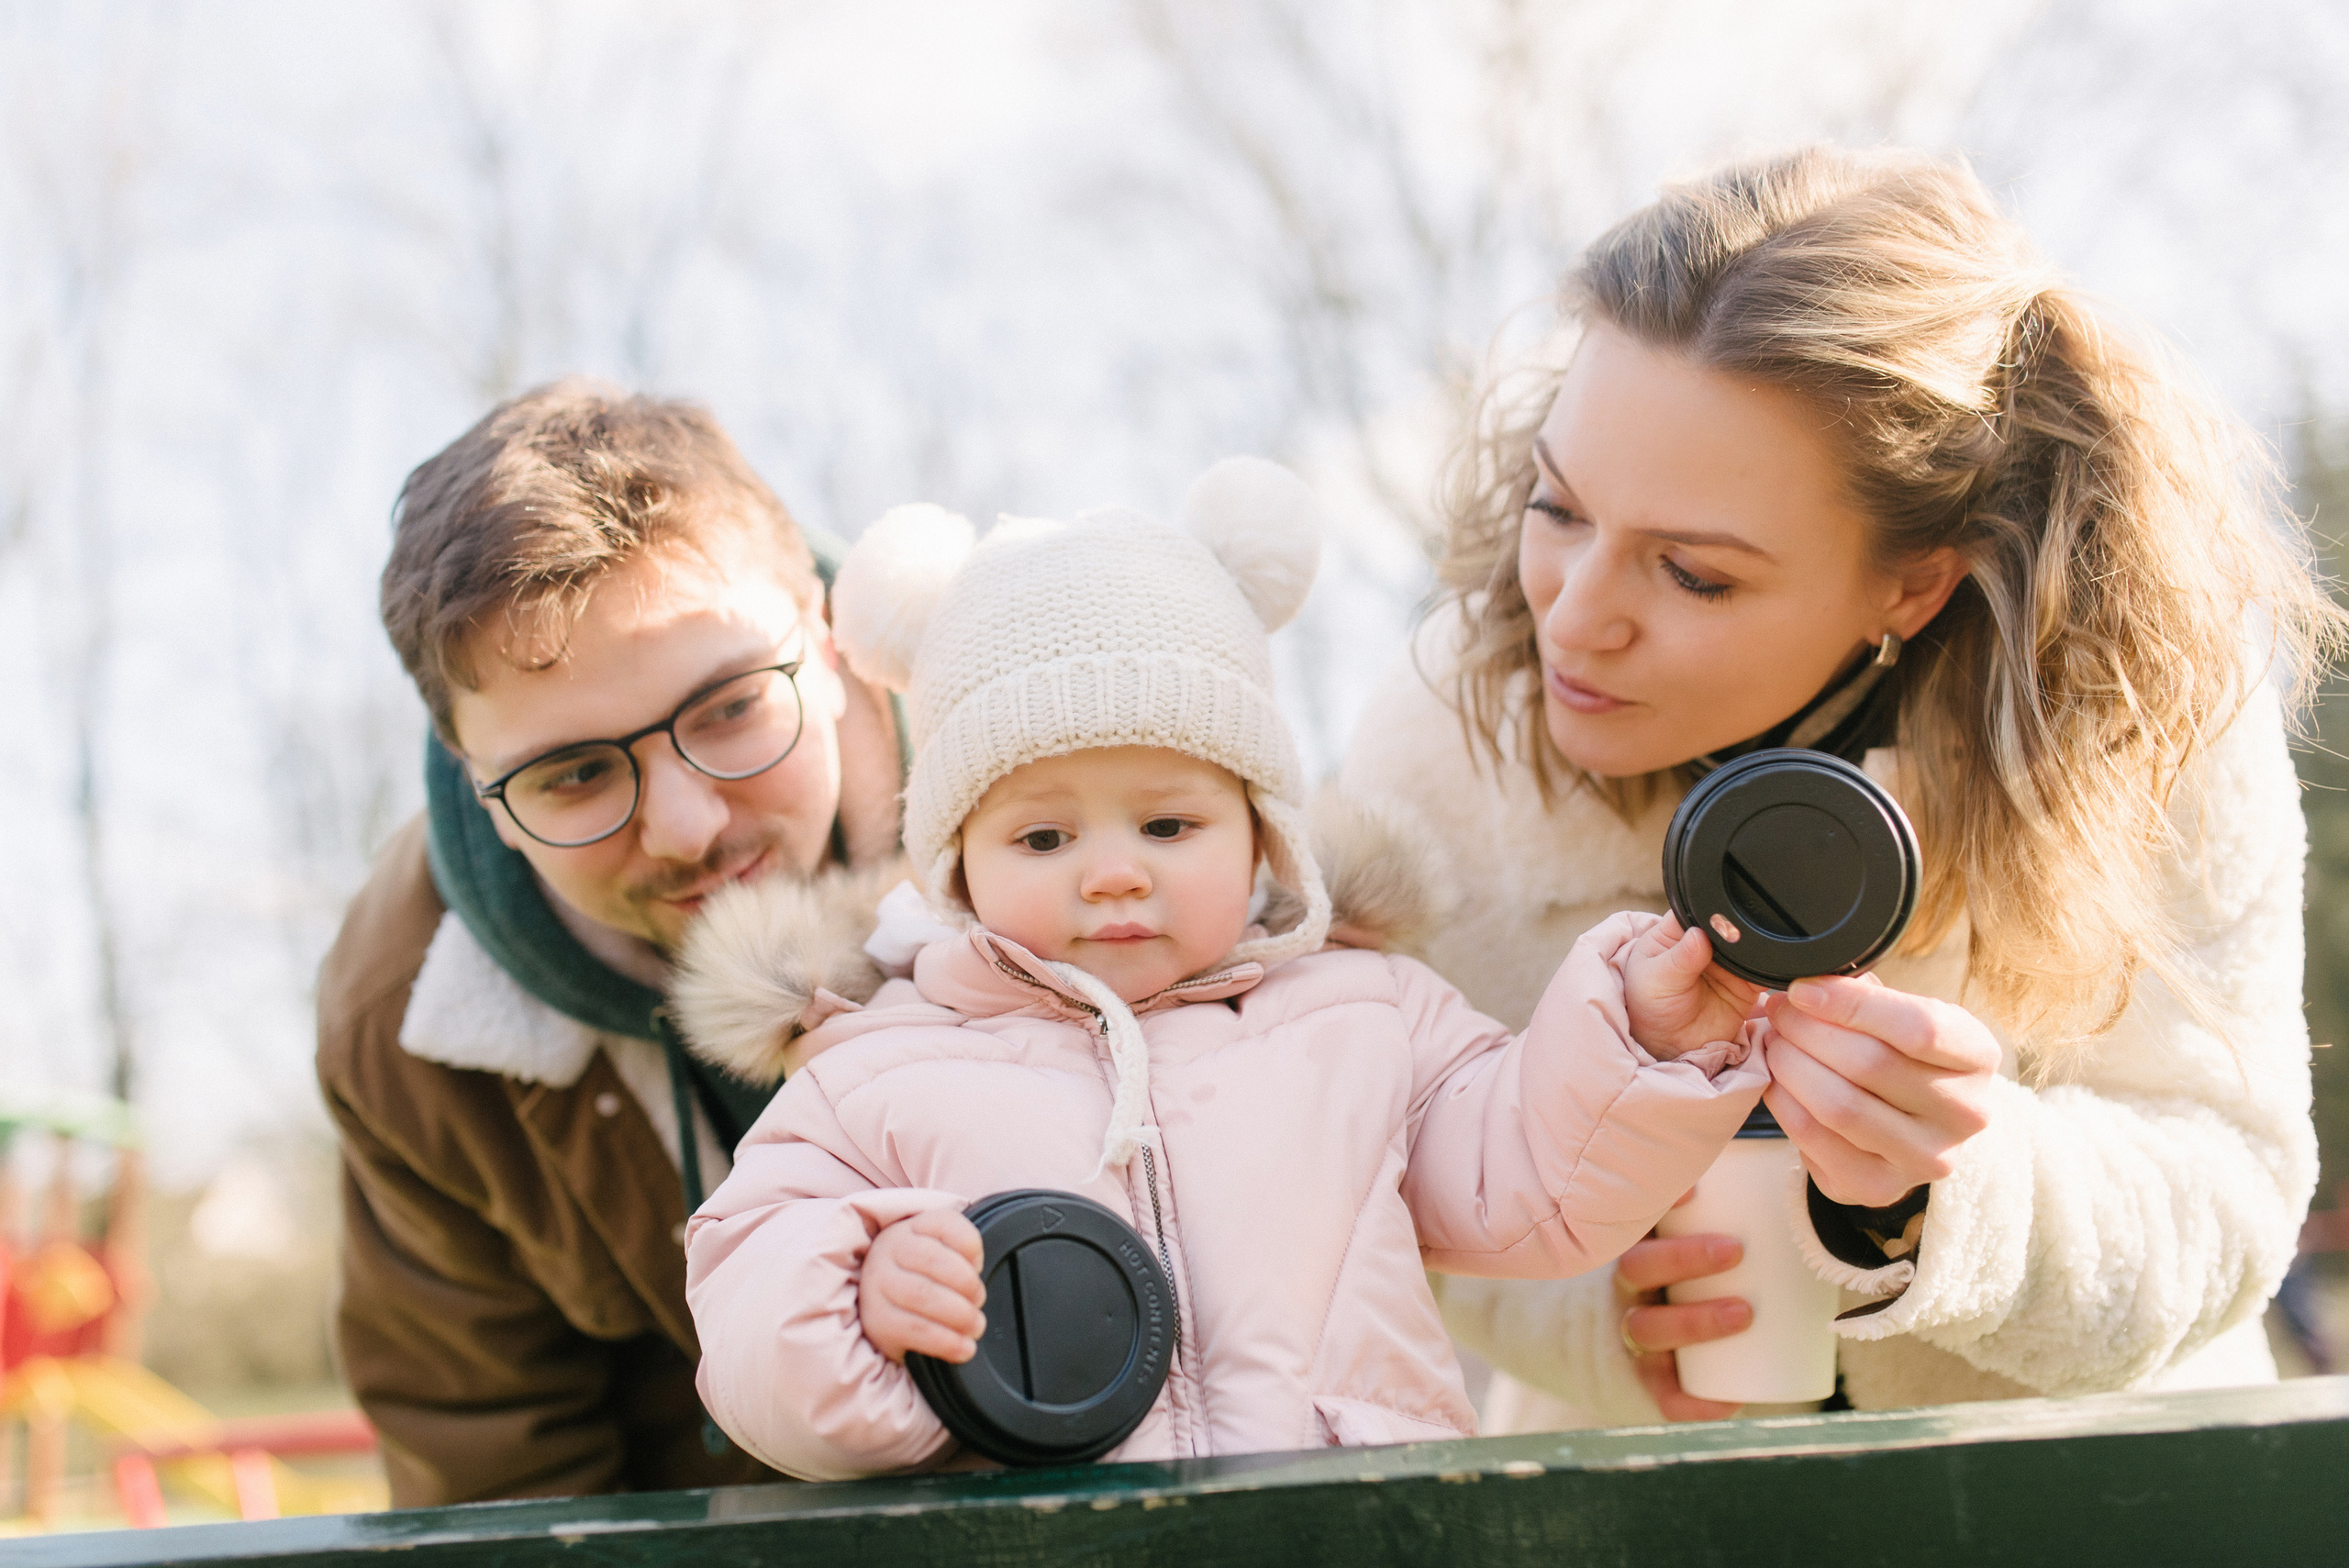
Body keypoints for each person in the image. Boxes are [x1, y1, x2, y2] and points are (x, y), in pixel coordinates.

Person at [1341, 145, 2343, 1430]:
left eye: (1694, 574)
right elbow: (1373, 1153)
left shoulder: (2141, 715)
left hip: (2084, 1495)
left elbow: (2230, 1190)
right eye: (1558, 507)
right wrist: (1599, 1318)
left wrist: (1955, 1192)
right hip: (1635, 1502)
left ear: (1914, 583)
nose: (1573, 618)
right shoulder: (1443, 721)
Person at [667, 461, 1766, 1479]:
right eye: (1042, 837)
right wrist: (859, 1295)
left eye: (1167, 823)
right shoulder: (873, 1070)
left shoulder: (1361, 1015)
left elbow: (1529, 1166)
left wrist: (1637, 1034)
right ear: (955, 866)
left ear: (1260, 835)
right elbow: (748, 1306)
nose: (1112, 872)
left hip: (1358, 1525)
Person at [315, 380, 907, 1504]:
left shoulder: (1089, 787)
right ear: (479, 785)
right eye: (576, 772)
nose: (686, 826)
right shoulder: (403, 1023)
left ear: (823, 638)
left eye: (730, 706)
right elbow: (501, 1481)